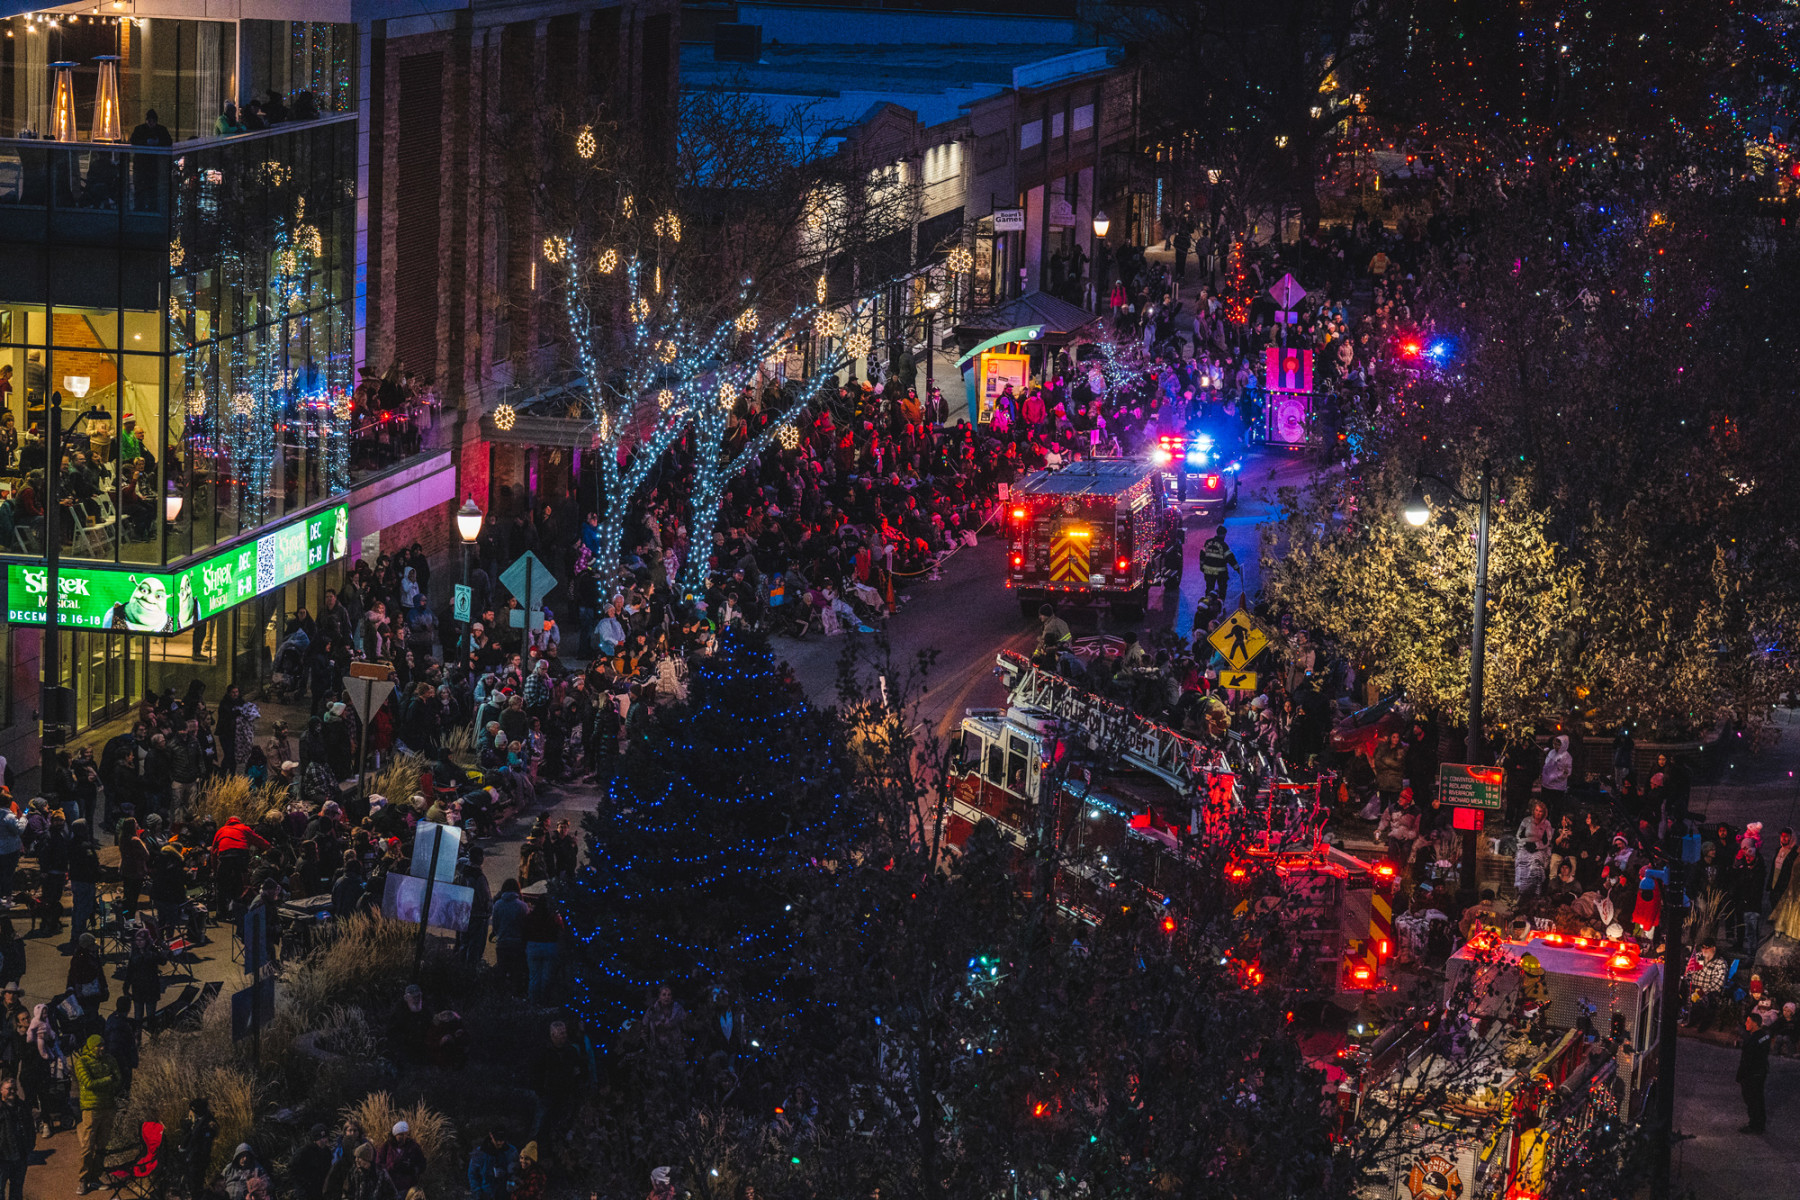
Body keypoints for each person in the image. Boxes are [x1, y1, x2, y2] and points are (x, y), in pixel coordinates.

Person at [72, 1032, 122, 1193]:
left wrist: (108, 1082)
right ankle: (83, 1179)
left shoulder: (109, 1059)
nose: (101, 1048)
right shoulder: (82, 1062)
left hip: (108, 1106)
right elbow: (88, 1083)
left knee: (102, 1146)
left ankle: (95, 1177)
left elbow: (118, 1078)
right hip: (91, 1109)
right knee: (87, 1147)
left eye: (103, 1045)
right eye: (98, 1046)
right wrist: (107, 1080)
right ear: (91, 1047)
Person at [1738, 1011, 1773, 1134]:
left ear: (1755, 1024)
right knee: (1758, 1099)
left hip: (1751, 1074)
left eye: (1748, 1021)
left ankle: (1754, 1125)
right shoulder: (1764, 1036)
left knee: (1752, 1100)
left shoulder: (1753, 1040)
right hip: (1760, 1072)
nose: (1746, 1024)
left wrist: (1740, 1076)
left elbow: (1747, 1059)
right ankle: (1759, 1124)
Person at [375, 1121, 427, 1196]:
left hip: (408, 1188)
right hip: (389, 1187)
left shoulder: (413, 1147)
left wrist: (413, 1169)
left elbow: (422, 1163)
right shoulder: (387, 1146)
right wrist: (392, 1166)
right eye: (401, 1135)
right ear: (395, 1135)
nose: (404, 1137)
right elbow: (379, 1163)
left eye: (406, 1134)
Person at [0, 1078, 31, 1200]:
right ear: (1, 1090)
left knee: (17, 1190)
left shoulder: (22, 1106)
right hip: (2, 1159)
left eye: (14, 1089)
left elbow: (30, 1129)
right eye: (9, 1089)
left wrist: (28, 1146)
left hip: (20, 1157)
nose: (12, 1091)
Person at [467, 1129, 517, 1200]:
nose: (500, 1142)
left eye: (502, 1140)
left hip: (505, 1194)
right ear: (491, 1135)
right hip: (486, 1194)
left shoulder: (511, 1151)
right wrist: (478, 1193)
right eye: (497, 1139)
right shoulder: (480, 1153)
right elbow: (472, 1174)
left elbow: (516, 1170)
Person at [291, 1124, 335, 1200]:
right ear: (315, 1139)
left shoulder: (327, 1152)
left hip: (321, 1191)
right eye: (321, 1138)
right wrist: (301, 1190)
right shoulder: (304, 1152)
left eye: (325, 1137)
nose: (324, 1140)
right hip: (307, 1192)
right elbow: (294, 1171)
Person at [1199, 525, 1237, 601]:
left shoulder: (1208, 542)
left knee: (1209, 589)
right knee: (1222, 590)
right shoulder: (1224, 545)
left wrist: (1202, 566)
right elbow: (1230, 559)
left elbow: (1202, 555)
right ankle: (1220, 605)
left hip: (1208, 572)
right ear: (1224, 534)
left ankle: (1207, 606)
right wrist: (1238, 569)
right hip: (1221, 573)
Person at [1539, 734, 1573, 810]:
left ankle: (1554, 821)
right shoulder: (1551, 752)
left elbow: (1567, 772)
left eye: (1558, 745)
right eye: (1555, 744)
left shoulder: (1567, 757)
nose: (1556, 747)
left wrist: (1556, 777)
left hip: (1557, 787)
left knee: (1556, 807)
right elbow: (1546, 765)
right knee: (1545, 807)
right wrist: (1544, 775)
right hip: (1546, 785)